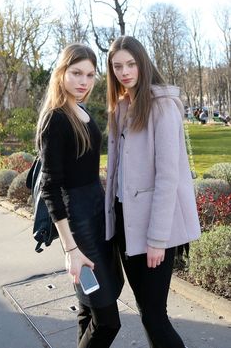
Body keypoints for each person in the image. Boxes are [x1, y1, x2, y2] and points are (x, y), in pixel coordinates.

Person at [105, 35, 201, 348]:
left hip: (153, 229)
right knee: (146, 310)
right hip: (125, 223)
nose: (124, 71)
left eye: (131, 64)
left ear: (143, 63)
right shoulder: (120, 108)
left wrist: (158, 239)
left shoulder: (162, 107)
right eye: (117, 66)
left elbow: (168, 177)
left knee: (154, 315)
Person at [35, 43, 124, 348]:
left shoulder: (80, 109)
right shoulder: (56, 119)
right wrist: (71, 249)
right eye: (76, 73)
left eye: (89, 74)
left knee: (88, 311)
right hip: (80, 225)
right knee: (108, 321)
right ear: (61, 73)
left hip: (97, 216)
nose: (83, 81)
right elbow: (50, 187)